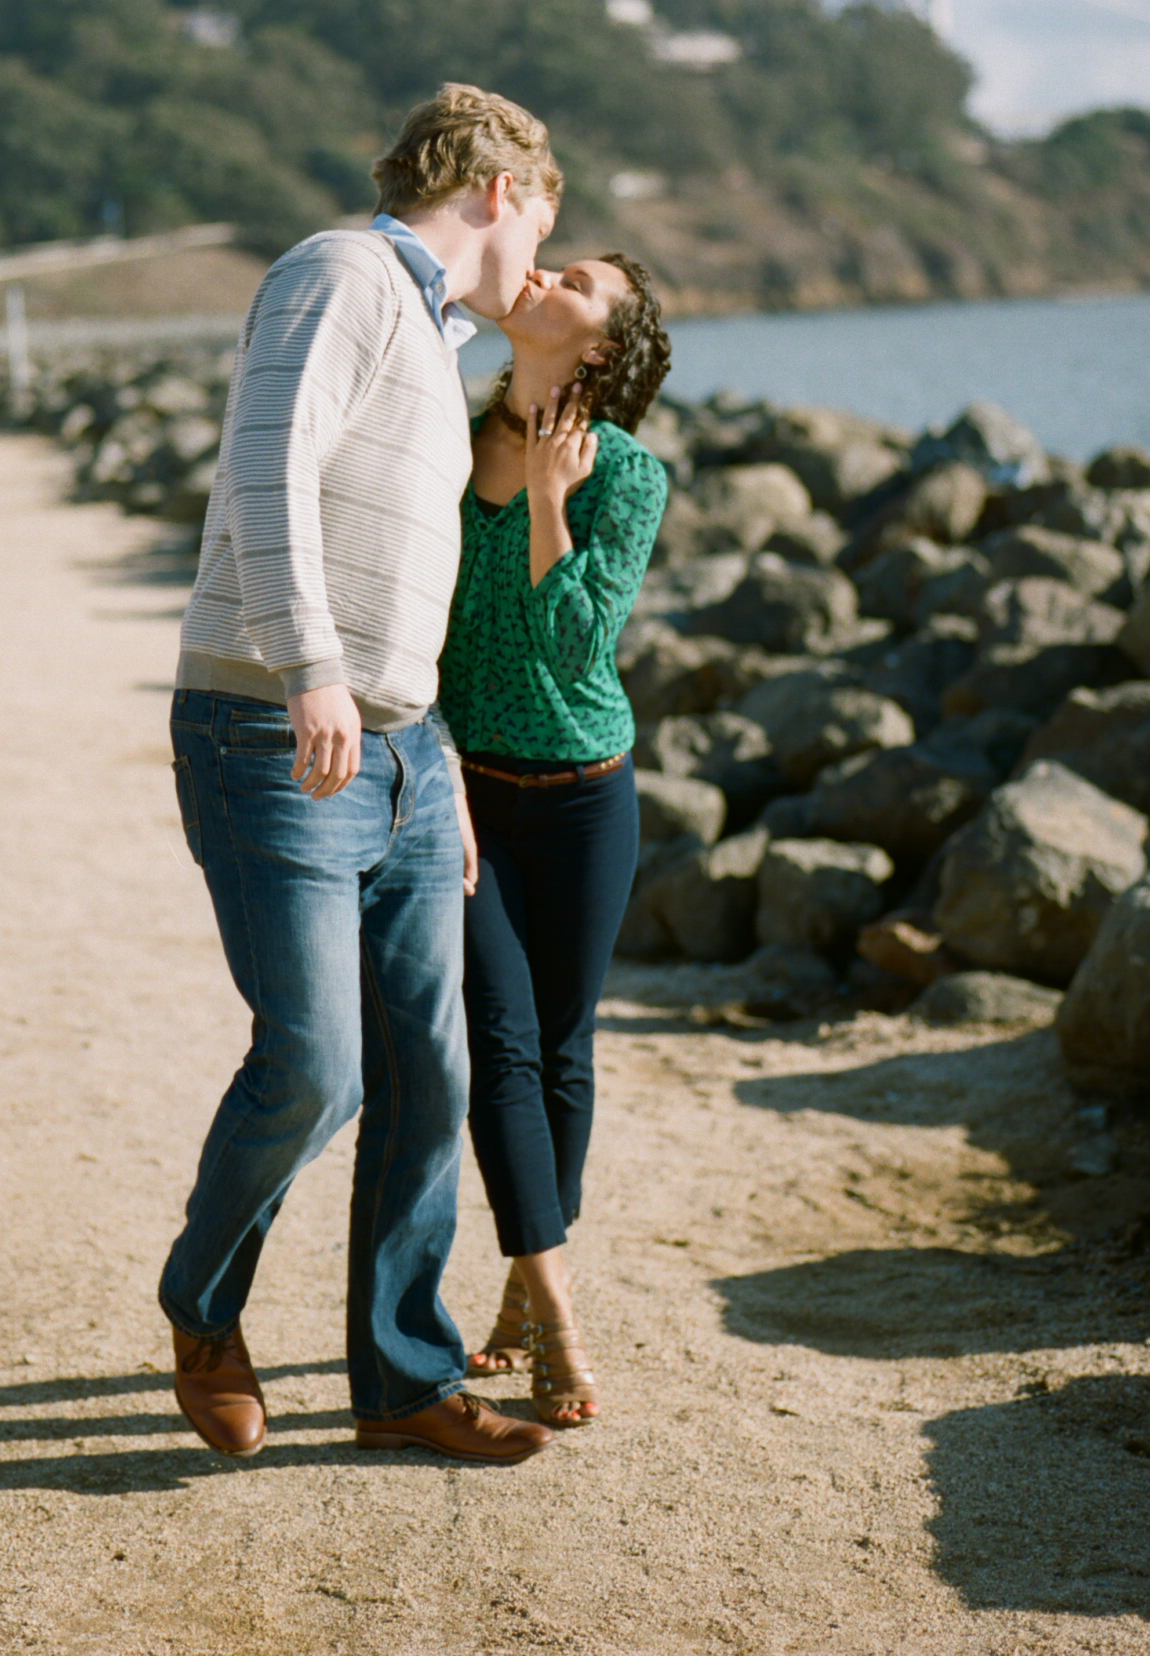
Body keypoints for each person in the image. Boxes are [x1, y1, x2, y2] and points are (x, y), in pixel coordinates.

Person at [160, 84, 565, 1466]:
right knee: (318, 1065)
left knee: (430, 1074)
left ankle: (401, 1378)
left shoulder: (435, 333)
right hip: (274, 729)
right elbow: (263, 469)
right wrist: (313, 667)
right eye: (544, 230)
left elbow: (405, 574)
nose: (539, 272)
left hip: (398, 747)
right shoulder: (336, 271)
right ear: (502, 191)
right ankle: (201, 1312)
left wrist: (430, 761)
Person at [436, 252, 672, 1427]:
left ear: (595, 345)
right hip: (467, 790)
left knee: (563, 1046)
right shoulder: (440, 439)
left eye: (574, 276)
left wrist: (543, 495)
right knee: (502, 1043)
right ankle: (560, 1314)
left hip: (586, 793)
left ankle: (522, 1287)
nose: (540, 269)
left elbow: (578, 645)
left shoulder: (627, 475)